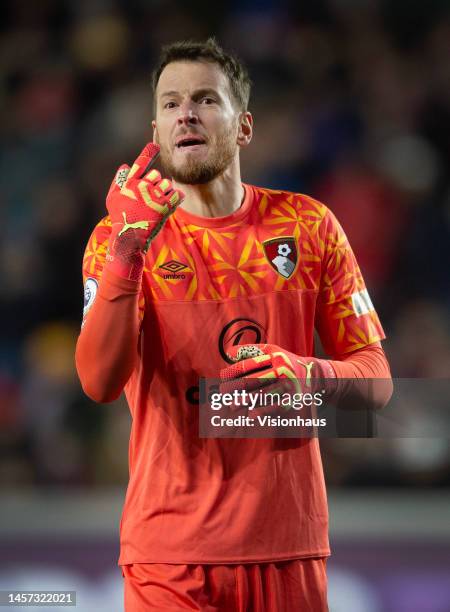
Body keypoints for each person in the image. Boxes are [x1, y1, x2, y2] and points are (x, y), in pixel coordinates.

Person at [75, 38, 392, 612]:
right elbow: (98, 383)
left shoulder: (309, 225)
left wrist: (310, 376)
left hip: (289, 549)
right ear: (156, 130)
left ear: (243, 127)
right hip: (169, 557)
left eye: (203, 100)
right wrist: (126, 254)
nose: (186, 114)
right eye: (170, 104)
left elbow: (376, 388)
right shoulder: (116, 237)